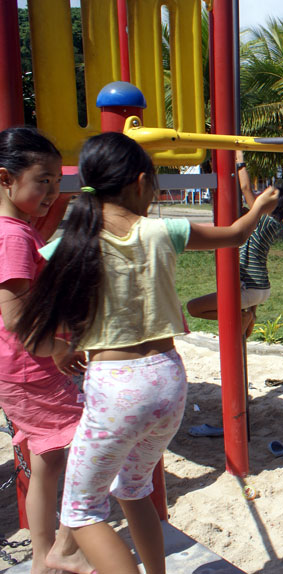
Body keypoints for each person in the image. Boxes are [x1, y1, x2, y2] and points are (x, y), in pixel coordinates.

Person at [15, 132, 279, 574]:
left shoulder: (70, 244)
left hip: (115, 389)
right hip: (168, 380)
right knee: (134, 488)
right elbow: (234, 234)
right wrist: (259, 208)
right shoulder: (162, 229)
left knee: (80, 513)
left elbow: (31, 309)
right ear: (140, 183)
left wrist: (62, 345)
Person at [0, 126, 93, 574]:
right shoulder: (14, 237)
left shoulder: (14, 228)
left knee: (48, 462)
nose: (53, 191)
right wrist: (58, 348)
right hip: (30, 368)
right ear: (5, 178)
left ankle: (43, 558)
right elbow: (17, 318)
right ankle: (64, 548)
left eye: (58, 182)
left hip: (20, 368)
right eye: (43, 181)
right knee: (93, 446)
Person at [187, 150, 283, 337]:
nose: (262, 195)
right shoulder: (269, 224)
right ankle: (247, 317)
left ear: (273, 205)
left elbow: (245, 188)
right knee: (240, 329)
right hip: (259, 286)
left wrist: (239, 160)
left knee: (193, 308)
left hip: (250, 288)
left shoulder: (263, 218)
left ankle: (244, 318)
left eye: (268, 195)